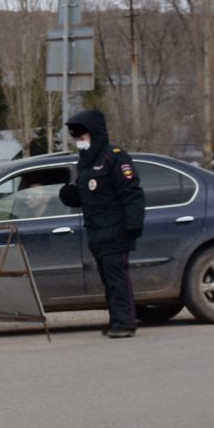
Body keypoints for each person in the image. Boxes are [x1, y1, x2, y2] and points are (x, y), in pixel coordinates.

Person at [57, 108, 146, 339]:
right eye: (77, 138)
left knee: (117, 278)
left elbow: (132, 193)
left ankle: (125, 323)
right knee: (108, 280)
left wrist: (134, 224)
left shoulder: (114, 157)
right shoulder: (86, 162)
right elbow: (90, 194)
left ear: (94, 134)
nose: (80, 142)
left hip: (116, 230)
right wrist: (71, 195)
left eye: (83, 137)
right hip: (96, 232)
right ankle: (118, 319)